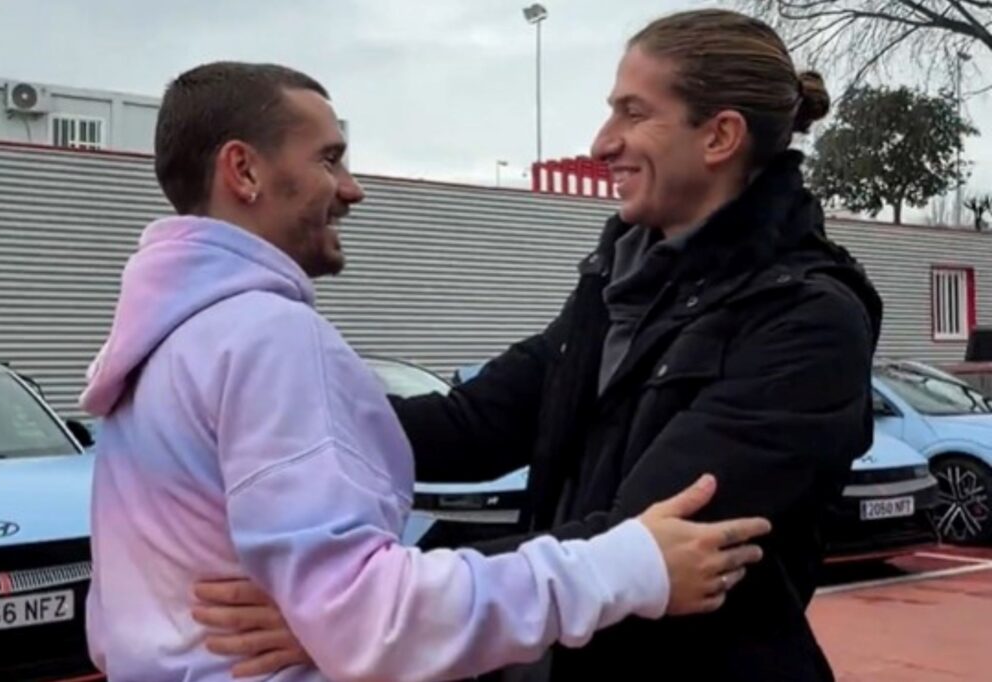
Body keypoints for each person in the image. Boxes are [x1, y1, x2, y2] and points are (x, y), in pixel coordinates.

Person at [192, 9, 884, 682]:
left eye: (633, 112)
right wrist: (254, 403)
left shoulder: (806, 320)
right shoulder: (618, 284)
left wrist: (365, 611)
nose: (602, 141)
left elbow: (638, 540)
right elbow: (471, 426)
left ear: (720, 136)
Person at [80, 60, 772, 682]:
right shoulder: (267, 337)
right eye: (329, 158)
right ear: (244, 171)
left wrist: (324, 614)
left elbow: (467, 427)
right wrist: (629, 566)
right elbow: (369, 620)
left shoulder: (162, 341)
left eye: (633, 111)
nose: (352, 189)